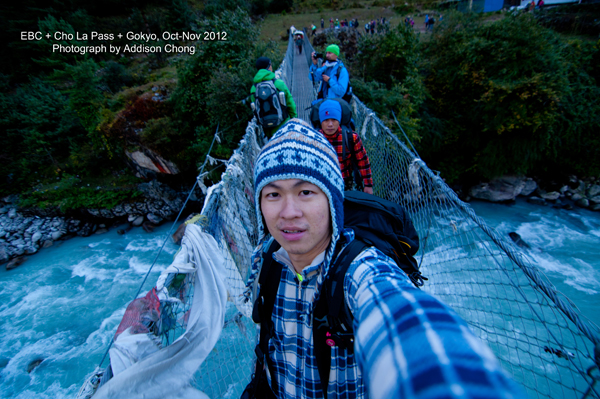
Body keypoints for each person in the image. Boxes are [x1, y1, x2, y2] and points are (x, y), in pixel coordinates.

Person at [244, 119, 529, 399]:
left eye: (305, 192)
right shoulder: (266, 258)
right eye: (273, 194)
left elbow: (399, 314)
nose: (288, 211)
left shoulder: (360, 270)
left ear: (332, 201)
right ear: (259, 204)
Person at [318, 100, 373, 193]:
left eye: (334, 120)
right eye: (326, 120)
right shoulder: (314, 139)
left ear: (339, 121)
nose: (330, 124)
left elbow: (362, 160)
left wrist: (368, 184)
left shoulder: (351, 137)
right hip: (322, 181)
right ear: (321, 122)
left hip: (345, 182)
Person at [250, 57, 297, 136]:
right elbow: (290, 102)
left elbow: (255, 109)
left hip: (268, 129)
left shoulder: (254, 89)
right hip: (284, 126)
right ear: (269, 67)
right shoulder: (278, 83)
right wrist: (294, 119)